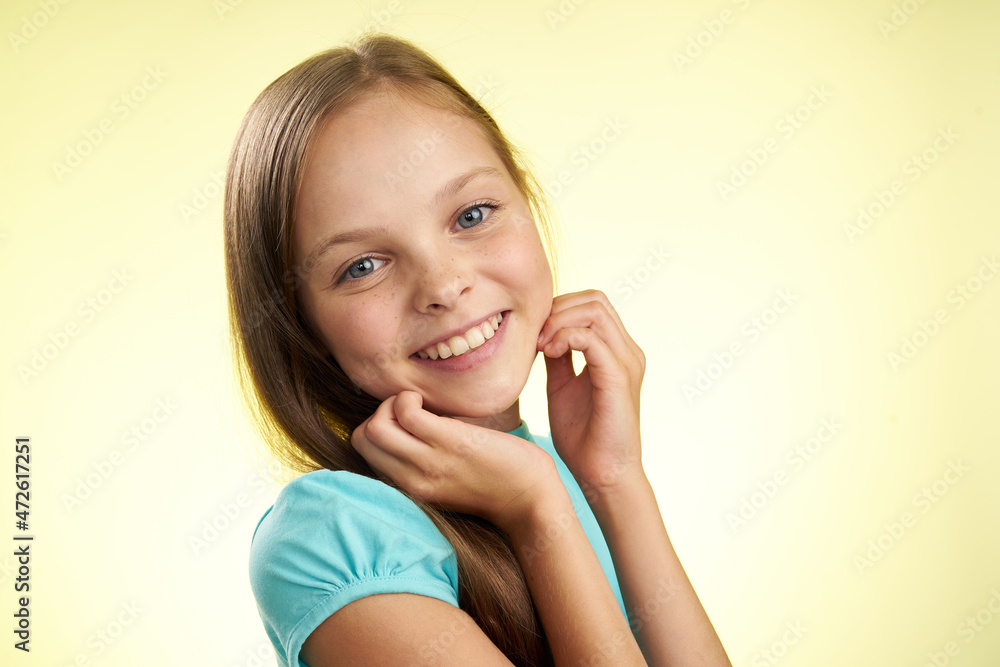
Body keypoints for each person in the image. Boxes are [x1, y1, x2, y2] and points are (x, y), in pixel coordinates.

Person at [225, 33, 731, 666]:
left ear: (525, 200)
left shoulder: (561, 473)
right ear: (299, 323)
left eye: (471, 215)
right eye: (363, 265)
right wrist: (537, 511)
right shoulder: (333, 538)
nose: (443, 286)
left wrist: (616, 482)